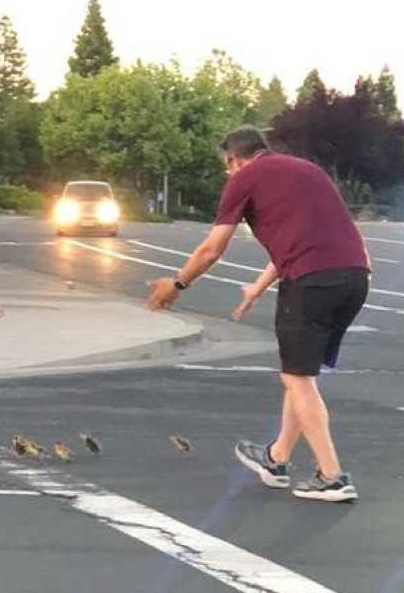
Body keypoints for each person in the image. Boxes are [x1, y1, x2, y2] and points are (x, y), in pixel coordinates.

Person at [147, 126, 370, 503]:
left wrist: (178, 284)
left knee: (297, 378)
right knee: (301, 374)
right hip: (354, 277)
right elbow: (306, 238)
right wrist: (257, 287)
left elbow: (211, 249)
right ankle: (277, 458)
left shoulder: (245, 177)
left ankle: (332, 476)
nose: (227, 173)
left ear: (235, 158)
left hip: (311, 282)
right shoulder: (307, 170)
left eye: (226, 166)